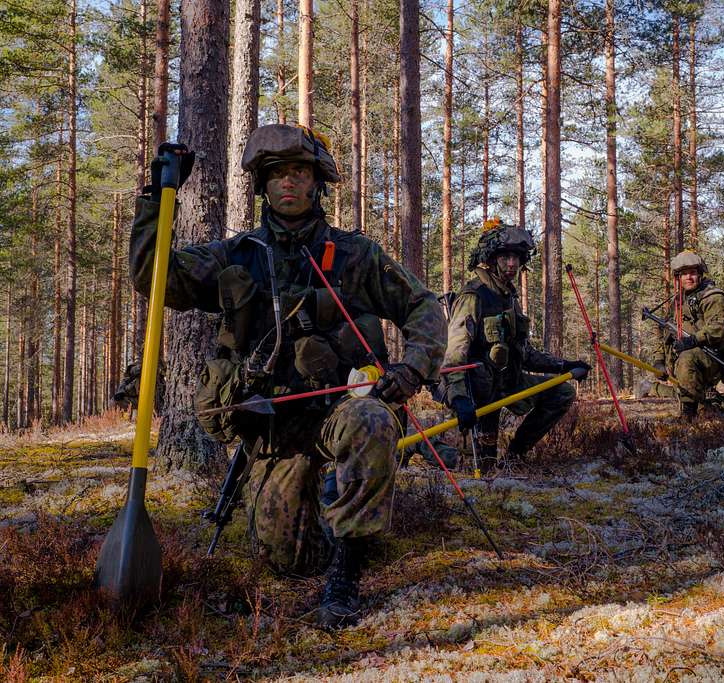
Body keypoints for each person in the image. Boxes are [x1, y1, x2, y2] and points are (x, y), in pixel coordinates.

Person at [128, 124, 446, 629]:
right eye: (276, 175)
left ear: (317, 183)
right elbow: (155, 276)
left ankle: (348, 564)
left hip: (341, 409)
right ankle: (330, 512)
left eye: (299, 173)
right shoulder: (237, 255)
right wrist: (156, 200)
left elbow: (422, 306)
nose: (288, 184)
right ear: (262, 186)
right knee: (285, 557)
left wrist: (413, 368)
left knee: (372, 421)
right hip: (274, 427)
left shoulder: (356, 256)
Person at [441, 219, 590, 471]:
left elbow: (525, 353)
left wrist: (564, 366)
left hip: (508, 383)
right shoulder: (473, 296)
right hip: (478, 392)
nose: (512, 264)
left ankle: (514, 456)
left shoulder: (509, 298)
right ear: (491, 258)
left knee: (562, 392)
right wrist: (459, 399)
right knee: (480, 468)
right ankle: (422, 447)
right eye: (505, 257)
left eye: (517, 258)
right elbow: (454, 355)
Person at [650, 251, 724, 418]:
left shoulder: (713, 297)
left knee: (687, 357)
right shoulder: (677, 301)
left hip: (712, 358)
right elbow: (666, 334)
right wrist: (659, 361)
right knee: (684, 364)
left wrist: (693, 340)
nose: (688, 277)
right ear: (678, 278)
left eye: (693, 273)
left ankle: (689, 415)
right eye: (684, 274)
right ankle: (706, 400)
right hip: (682, 361)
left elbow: (719, 328)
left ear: (700, 274)